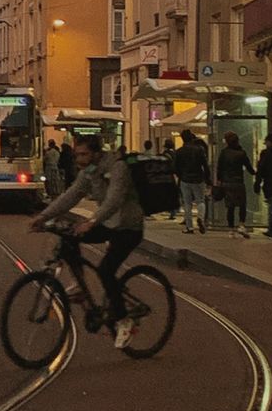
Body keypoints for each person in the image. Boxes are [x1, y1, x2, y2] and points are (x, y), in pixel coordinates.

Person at [29, 134, 144, 349]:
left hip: (128, 226)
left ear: (96, 153)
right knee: (70, 237)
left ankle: (124, 321)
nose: (79, 159)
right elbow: (71, 195)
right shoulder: (89, 171)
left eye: (84, 154)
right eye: (77, 154)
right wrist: (43, 217)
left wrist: (92, 221)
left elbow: (114, 200)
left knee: (106, 270)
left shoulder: (118, 167)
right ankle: (80, 285)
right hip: (108, 223)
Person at [216, 131, 255, 238]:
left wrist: (219, 180)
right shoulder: (242, 153)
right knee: (242, 204)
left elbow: (219, 168)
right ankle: (241, 225)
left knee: (230, 207)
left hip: (227, 182)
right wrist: (255, 173)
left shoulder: (224, 153)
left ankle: (231, 230)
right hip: (238, 182)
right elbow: (249, 167)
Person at [175, 129, 211, 235]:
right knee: (200, 200)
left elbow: (175, 167)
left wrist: (180, 176)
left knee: (187, 203)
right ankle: (200, 218)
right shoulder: (199, 149)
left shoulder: (179, 151)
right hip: (198, 178)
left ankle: (189, 227)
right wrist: (207, 178)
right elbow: (205, 165)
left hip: (185, 179)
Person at [161, 137, 179, 220]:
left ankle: (172, 212)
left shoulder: (165, 154)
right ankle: (175, 210)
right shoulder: (175, 153)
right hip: (175, 175)